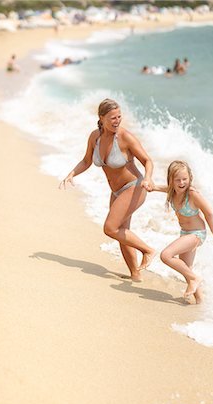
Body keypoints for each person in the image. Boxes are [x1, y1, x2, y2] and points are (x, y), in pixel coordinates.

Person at [59, 98, 156, 282]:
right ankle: (135, 275)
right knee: (122, 232)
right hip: (117, 191)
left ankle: (148, 250)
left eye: (119, 117)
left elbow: (148, 161)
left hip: (134, 187)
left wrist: (149, 178)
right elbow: (87, 161)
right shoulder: (95, 137)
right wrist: (72, 173)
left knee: (110, 228)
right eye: (112, 118)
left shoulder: (125, 137)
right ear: (101, 118)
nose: (117, 120)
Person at [150, 160, 213, 303]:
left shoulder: (192, 194)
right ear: (171, 181)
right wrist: (154, 187)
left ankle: (195, 278)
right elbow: (165, 189)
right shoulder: (172, 191)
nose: (181, 183)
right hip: (185, 233)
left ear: (190, 178)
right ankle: (200, 302)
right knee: (186, 268)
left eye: (185, 179)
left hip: (197, 234)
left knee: (166, 255)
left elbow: (209, 213)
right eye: (178, 180)